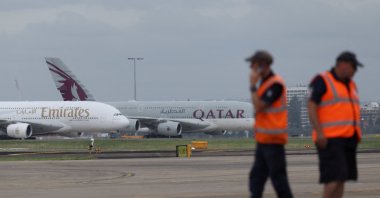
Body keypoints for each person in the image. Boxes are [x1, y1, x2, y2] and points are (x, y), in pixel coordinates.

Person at [308, 51, 363, 198]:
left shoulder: (350, 84)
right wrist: (319, 132)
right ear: (343, 65)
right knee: (333, 179)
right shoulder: (323, 80)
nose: (355, 71)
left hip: (348, 138)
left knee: (342, 178)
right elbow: (311, 105)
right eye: (353, 67)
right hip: (330, 139)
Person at [247, 50, 293, 198]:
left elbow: (260, 106)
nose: (251, 68)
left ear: (262, 65)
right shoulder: (265, 84)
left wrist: (253, 87)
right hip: (263, 140)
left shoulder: (275, 84)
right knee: (256, 181)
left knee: (279, 183)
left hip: (273, 141)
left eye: (253, 64)